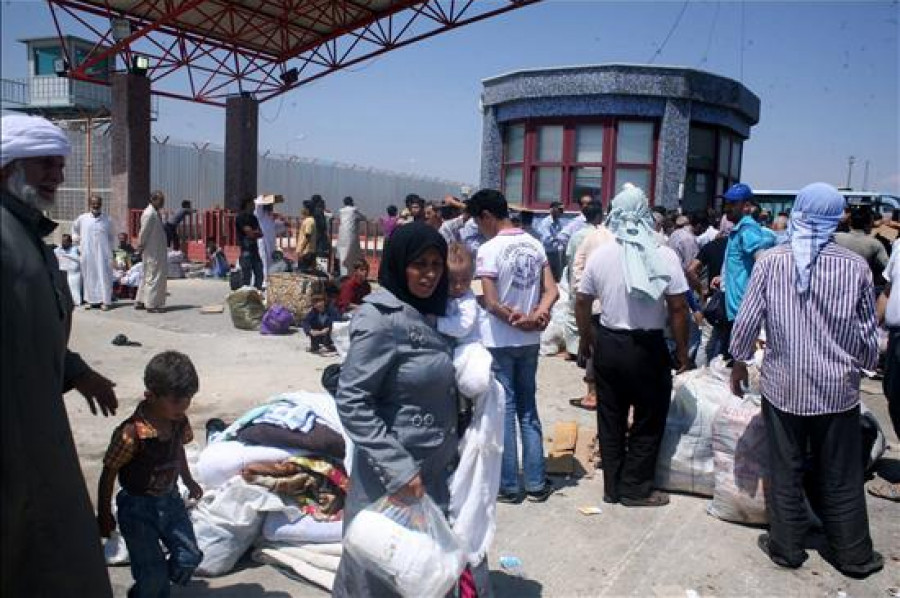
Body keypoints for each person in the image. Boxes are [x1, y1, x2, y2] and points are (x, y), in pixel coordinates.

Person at [730, 182, 884, 578]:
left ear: (798, 212)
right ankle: (853, 555)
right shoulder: (855, 267)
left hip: (784, 388)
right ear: (836, 219)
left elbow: (747, 320)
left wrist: (740, 361)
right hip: (838, 391)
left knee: (786, 468)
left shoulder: (771, 261)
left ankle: (786, 546)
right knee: (842, 474)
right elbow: (868, 332)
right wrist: (862, 366)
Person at [1, 113, 118, 597]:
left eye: (59, 163)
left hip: (38, 436)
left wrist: (76, 369)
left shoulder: (28, 235)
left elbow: (27, 331)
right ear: (7, 167)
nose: (58, 174)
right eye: (45, 164)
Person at [332, 222, 460, 597]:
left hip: (432, 473)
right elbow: (353, 400)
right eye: (420, 264)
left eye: (437, 264)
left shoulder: (434, 314)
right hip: (393, 477)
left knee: (421, 573)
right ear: (399, 264)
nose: (430, 274)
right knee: (379, 574)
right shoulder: (380, 319)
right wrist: (398, 468)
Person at [575, 184, 689, 507]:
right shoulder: (664, 255)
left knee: (610, 417)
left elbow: (582, 301)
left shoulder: (601, 255)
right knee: (648, 418)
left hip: (610, 344)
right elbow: (678, 308)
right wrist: (682, 353)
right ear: (644, 213)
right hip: (648, 348)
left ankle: (612, 487)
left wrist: (587, 338)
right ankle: (636, 489)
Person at [470, 189, 559, 504]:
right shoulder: (535, 244)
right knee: (528, 409)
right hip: (529, 341)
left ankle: (509, 485)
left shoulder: (488, 250)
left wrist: (517, 319)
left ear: (486, 217)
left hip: (499, 340)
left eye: (478, 222)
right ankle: (535, 482)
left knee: (504, 412)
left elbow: (491, 302)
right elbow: (552, 291)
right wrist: (538, 316)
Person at [97, 351, 204, 597]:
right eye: (176, 401)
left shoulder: (178, 421)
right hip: (138, 510)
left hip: (171, 501)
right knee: (153, 578)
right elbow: (109, 472)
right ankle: (150, 587)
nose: (184, 407)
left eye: (188, 399)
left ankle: (150, 587)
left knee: (189, 557)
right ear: (150, 396)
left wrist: (188, 480)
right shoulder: (131, 434)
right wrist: (104, 513)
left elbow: (177, 450)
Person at [566, 201, 610, 410]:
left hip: (591, 302)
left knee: (592, 346)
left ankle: (592, 395)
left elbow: (575, 264)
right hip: (610, 307)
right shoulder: (605, 236)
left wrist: (578, 292)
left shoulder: (587, 236)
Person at [720, 183, 776, 325]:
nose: (727, 208)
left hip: (743, 310)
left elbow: (761, 260)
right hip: (737, 309)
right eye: (726, 203)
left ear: (746, 206)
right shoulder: (739, 228)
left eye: (732, 203)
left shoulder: (747, 228)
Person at [873, 238, 900, 502]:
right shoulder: (899, 246)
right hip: (896, 337)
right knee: (894, 397)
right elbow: (889, 291)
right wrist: (870, 329)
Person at [73, 194, 116, 310]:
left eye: (98, 203)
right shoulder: (82, 218)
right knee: (89, 276)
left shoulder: (108, 219)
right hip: (88, 253)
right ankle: (91, 301)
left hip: (103, 254)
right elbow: (75, 231)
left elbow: (112, 237)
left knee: (104, 276)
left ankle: (105, 301)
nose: (96, 205)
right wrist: (78, 245)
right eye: (93, 203)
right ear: (89, 204)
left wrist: (111, 252)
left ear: (101, 204)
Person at [835, 205, 889, 281]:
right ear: (868, 224)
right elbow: (888, 266)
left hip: (837, 281)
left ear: (850, 223)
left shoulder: (835, 238)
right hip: (861, 284)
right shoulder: (875, 244)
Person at [135, 190, 169, 313]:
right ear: (153, 200)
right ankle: (151, 304)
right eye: (161, 200)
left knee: (147, 275)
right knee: (153, 277)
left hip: (156, 250)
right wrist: (140, 246)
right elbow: (143, 232)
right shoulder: (149, 214)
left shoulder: (155, 213)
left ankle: (140, 300)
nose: (163, 203)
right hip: (152, 251)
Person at [255, 196, 287, 284]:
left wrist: (284, 224)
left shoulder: (270, 217)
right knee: (264, 261)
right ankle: (264, 282)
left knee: (271, 262)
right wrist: (266, 199)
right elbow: (258, 204)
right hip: (263, 242)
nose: (271, 207)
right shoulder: (260, 215)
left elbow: (276, 228)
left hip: (271, 243)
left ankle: (269, 281)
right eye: (270, 205)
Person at [235, 196, 264, 289]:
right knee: (246, 277)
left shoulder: (254, 218)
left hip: (255, 250)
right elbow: (250, 233)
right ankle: (246, 296)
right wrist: (253, 233)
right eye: (252, 204)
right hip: (246, 251)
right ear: (247, 204)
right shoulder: (240, 218)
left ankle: (256, 294)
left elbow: (260, 233)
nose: (254, 206)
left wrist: (253, 233)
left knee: (259, 274)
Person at [337, 196, 367, 276]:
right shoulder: (354, 210)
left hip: (341, 237)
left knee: (343, 256)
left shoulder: (341, 211)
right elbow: (363, 217)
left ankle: (343, 275)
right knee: (352, 256)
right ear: (351, 202)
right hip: (351, 237)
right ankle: (351, 275)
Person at [536, 201, 566, 282]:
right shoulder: (545, 223)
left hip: (556, 253)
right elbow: (547, 239)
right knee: (547, 278)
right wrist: (558, 238)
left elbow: (562, 236)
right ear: (552, 210)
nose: (562, 212)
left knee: (557, 277)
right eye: (560, 209)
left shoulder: (559, 222)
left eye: (562, 210)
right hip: (547, 253)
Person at [55, 232, 83, 305]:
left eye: (65, 242)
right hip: (63, 272)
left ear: (70, 242)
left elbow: (80, 259)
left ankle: (76, 302)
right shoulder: (58, 250)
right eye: (63, 242)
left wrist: (68, 255)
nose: (64, 243)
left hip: (74, 273)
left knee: (74, 289)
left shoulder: (75, 249)